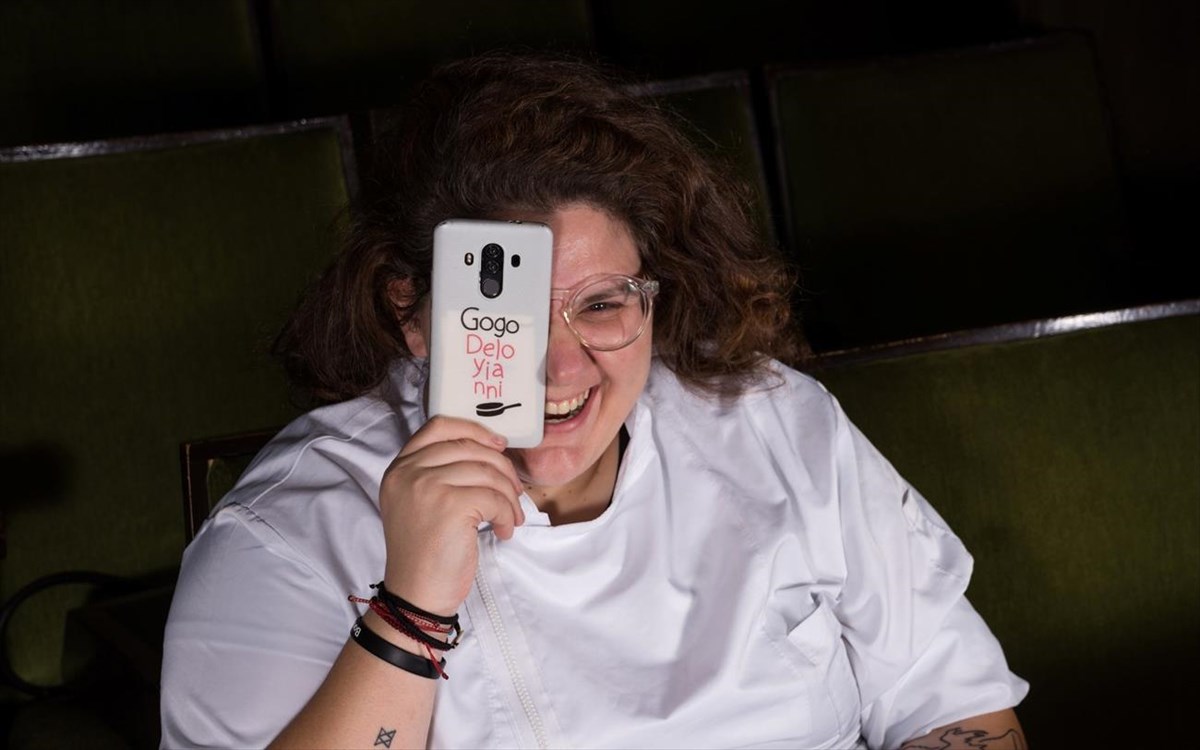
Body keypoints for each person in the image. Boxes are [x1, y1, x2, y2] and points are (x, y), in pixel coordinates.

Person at [160, 53, 1028, 749]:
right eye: (508, 317)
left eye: (603, 303)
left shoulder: (777, 424)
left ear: (655, 295)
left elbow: (952, 704)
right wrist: (410, 609)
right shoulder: (287, 533)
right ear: (410, 313)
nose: (559, 367)